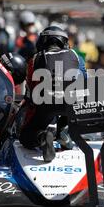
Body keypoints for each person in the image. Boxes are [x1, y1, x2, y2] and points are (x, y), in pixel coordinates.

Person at [19, 26, 86, 162]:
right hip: (73, 105)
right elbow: (84, 81)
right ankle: (65, 135)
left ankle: (42, 136)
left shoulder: (35, 59)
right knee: (70, 105)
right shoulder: (76, 56)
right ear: (64, 42)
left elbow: (31, 90)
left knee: (25, 137)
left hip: (47, 104)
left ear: (43, 41)